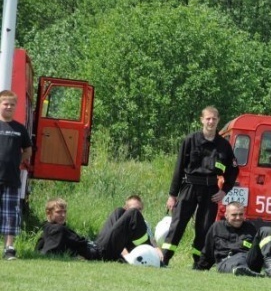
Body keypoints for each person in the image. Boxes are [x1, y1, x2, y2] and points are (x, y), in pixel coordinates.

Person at [161, 106, 239, 268]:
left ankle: (199, 263)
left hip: (210, 190)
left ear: (218, 121)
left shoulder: (224, 145)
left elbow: (233, 171)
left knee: (204, 228)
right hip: (189, 187)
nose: (211, 122)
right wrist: (172, 194)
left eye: (214, 119)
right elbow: (179, 167)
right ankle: (164, 259)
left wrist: (224, 191)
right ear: (202, 120)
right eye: (208, 118)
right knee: (178, 224)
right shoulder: (190, 140)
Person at [37, 196, 155, 261]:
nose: (63, 215)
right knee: (133, 213)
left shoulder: (50, 227)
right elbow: (49, 252)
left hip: (95, 244)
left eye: (64, 212)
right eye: (58, 212)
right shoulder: (56, 230)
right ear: (48, 213)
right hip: (99, 253)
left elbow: (40, 246)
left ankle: (139, 252)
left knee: (119, 211)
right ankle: (151, 256)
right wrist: (75, 258)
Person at [196, 201, 271, 277]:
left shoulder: (250, 227)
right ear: (226, 215)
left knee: (266, 230)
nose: (238, 218)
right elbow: (207, 252)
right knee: (237, 262)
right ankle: (243, 271)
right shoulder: (217, 227)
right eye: (234, 215)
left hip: (248, 260)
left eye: (240, 214)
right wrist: (199, 269)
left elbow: (256, 250)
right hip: (227, 262)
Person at [0, 90, 33, 260]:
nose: (9, 107)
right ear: (0, 104)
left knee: (10, 214)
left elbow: (28, 150)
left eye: (12, 104)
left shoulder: (19, 129)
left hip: (12, 178)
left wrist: (16, 160)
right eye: (5, 103)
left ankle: (9, 249)